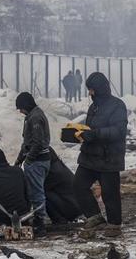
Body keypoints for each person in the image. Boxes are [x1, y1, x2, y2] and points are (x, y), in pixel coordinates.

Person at [73, 72, 127, 238]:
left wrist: (95, 134)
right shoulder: (94, 106)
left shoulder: (117, 105)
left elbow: (119, 131)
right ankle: (95, 217)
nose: (90, 93)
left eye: (92, 89)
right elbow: (92, 129)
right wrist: (81, 133)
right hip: (90, 156)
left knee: (110, 193)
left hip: (109, 157)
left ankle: (114, 224)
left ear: (100, 89)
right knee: (77, 185)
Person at [14, 92, 50, 237]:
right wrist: (19, 160)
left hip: (38, 161)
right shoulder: (31, 116)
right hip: (37, 160)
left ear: (26, 105)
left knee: (36, 193)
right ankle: (37, 218)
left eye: (20, 108)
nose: (20, 111)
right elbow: (27, 143)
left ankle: (41, 223)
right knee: (35, 191)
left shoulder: (35, 118)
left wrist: (28, 160)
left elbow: (37, 143)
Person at [45, 147, 82, 224]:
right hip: (77, 206)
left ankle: (59, 220)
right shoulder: (58, 167)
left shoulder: (54, 172)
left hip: (72, 208)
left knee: (41, 194)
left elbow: (39, 189)